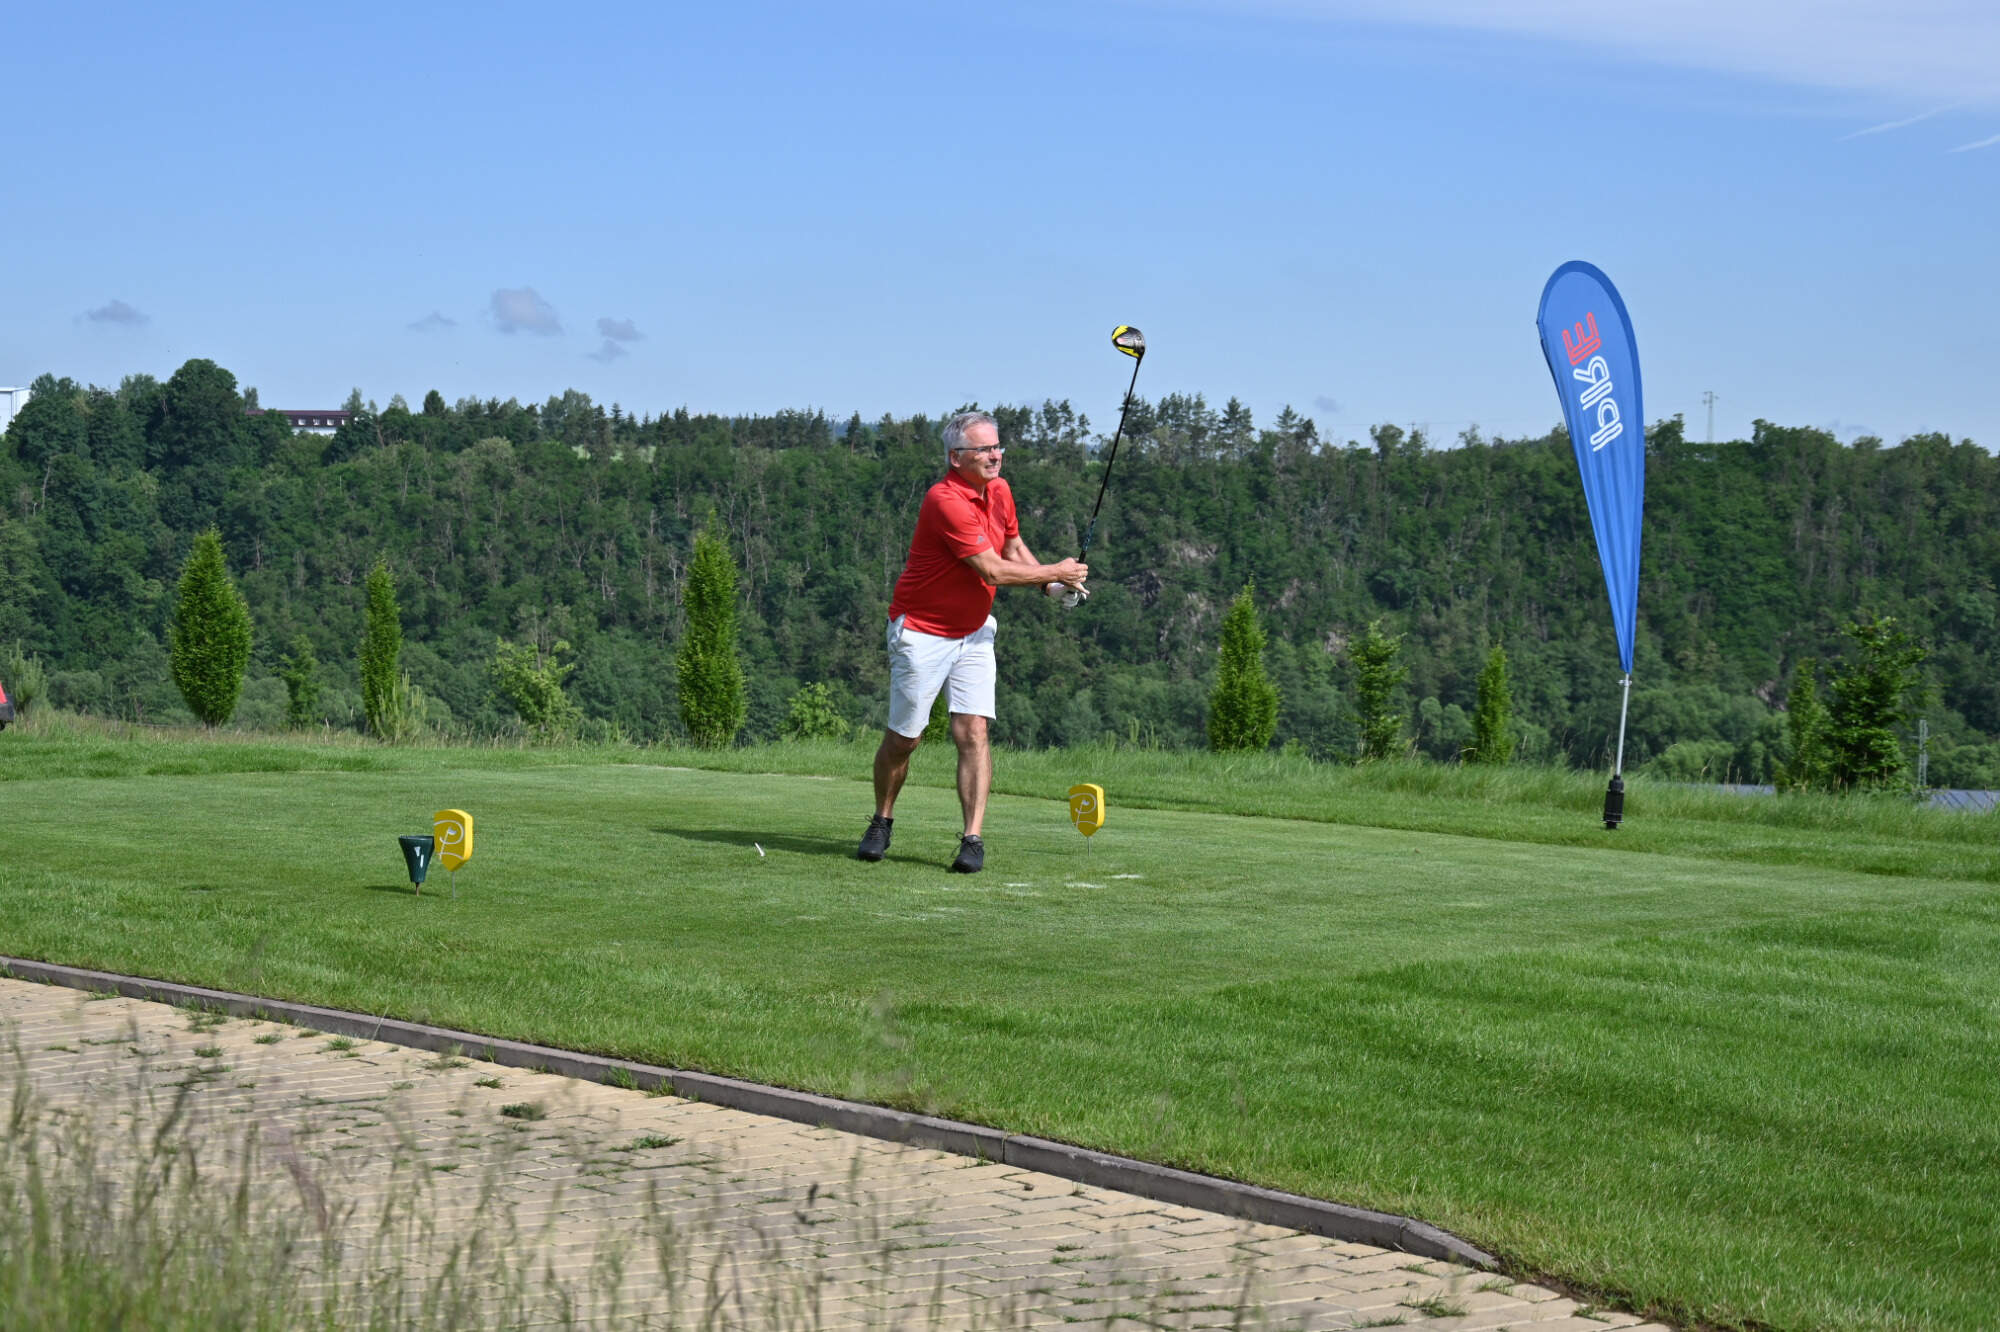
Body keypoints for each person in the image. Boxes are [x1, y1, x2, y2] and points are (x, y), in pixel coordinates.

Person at [857, 410, 1088, 872]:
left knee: (974, 731)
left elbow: (1012, 546)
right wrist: (1058, 571)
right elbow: (992, 569)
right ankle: (882, 819)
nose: (994, 455)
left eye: (997, 446)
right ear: (955, 457)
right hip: (921, 631)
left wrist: (1050, 586)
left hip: (975, 631)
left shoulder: (999, 490)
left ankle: (972, 839)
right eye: (983, 449)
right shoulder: (944, 500)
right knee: (905, 739)